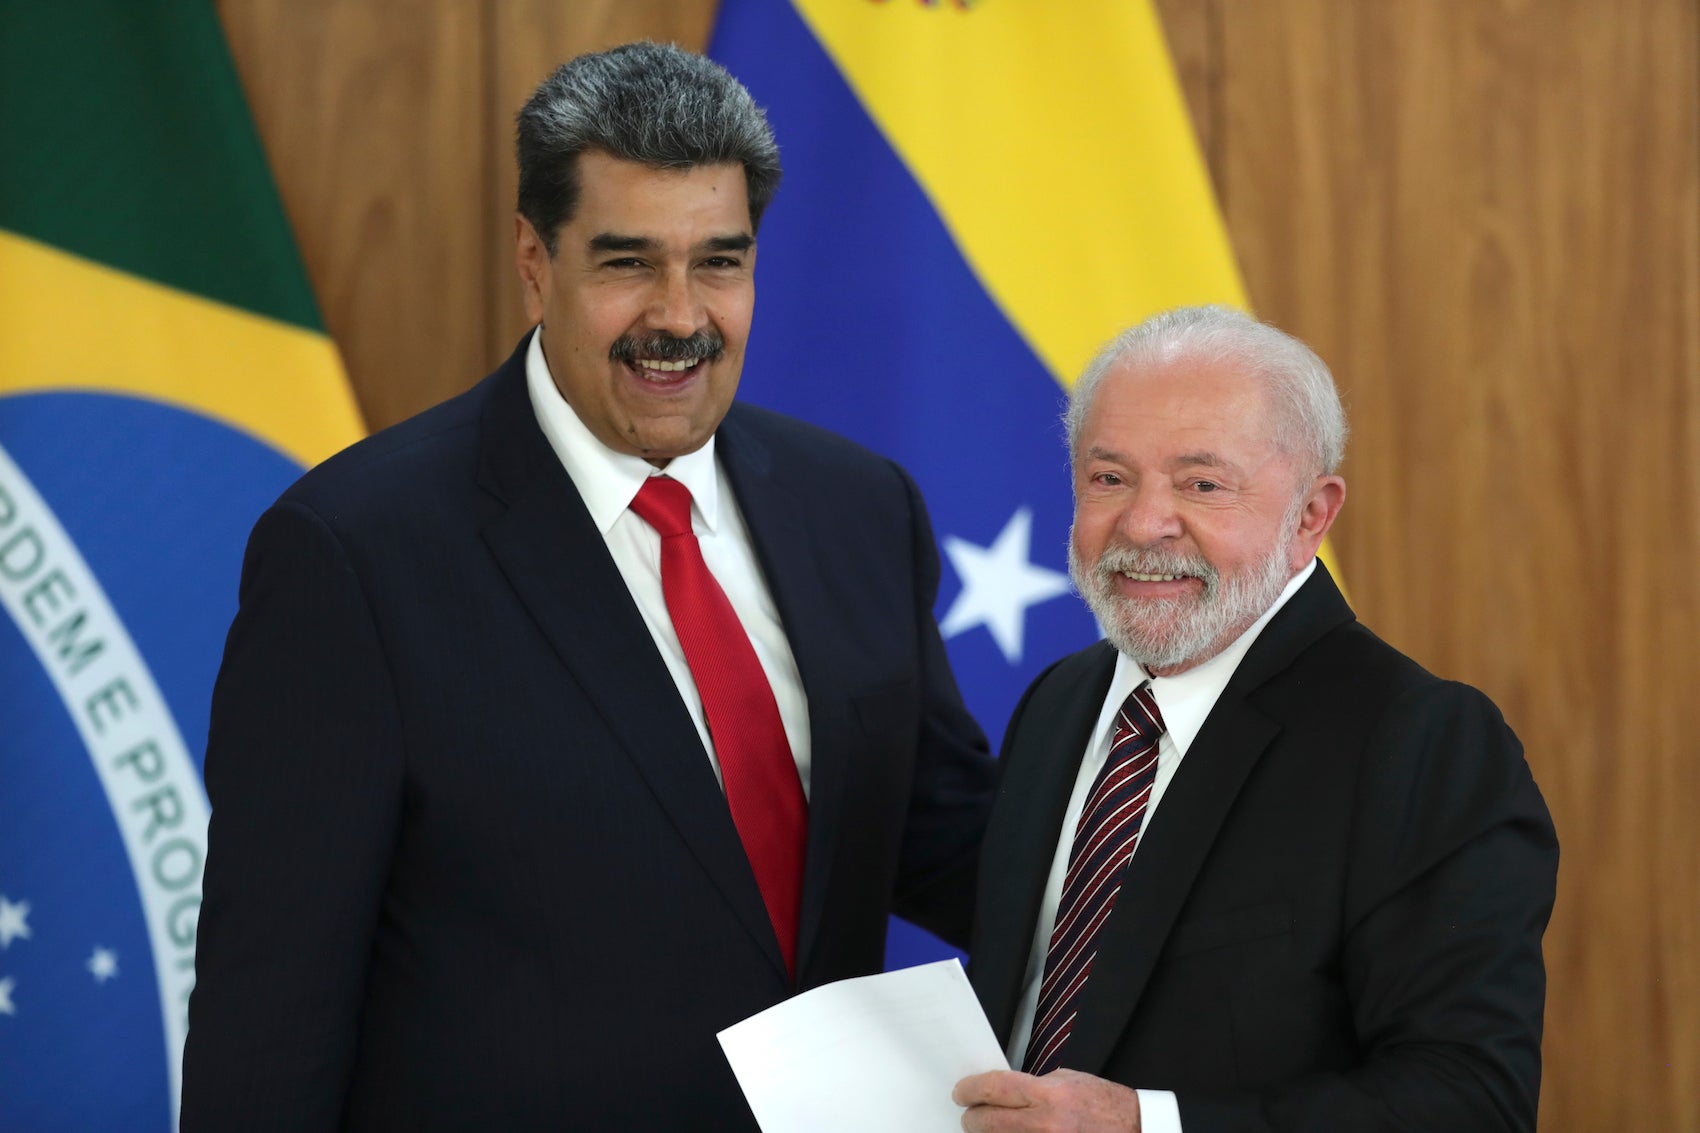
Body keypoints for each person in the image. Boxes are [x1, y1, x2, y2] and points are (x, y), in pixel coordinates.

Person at [181, 42, 994, 1133]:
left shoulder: (858, 507)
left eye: (719, 261)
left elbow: (940, 839)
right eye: (626, 263)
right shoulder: (354, 553)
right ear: (533, 258)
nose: (678, 314)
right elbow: (269, 1010)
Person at [954, 306, 1557, 1132]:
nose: (1143, 522)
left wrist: (1147, 1126)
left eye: (1203, 483)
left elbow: (1470, 1101)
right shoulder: (1060, 703)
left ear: (1312, 515)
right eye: (1109, 478)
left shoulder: (1419, 740)